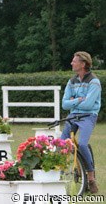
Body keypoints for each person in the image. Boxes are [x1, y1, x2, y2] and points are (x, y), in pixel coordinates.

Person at [61, 51, 101, 194]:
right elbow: (64, 104)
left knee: (82, 144)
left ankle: (90, 178)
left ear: (83, 64)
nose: (71, 63)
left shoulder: (94, 82)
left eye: (74, 61)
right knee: (61, 143)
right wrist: (79, 100)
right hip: (73, 115)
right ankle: (59, 172)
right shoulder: (71, 81)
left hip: (88, 116)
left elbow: (89, 104)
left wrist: (73, 101)